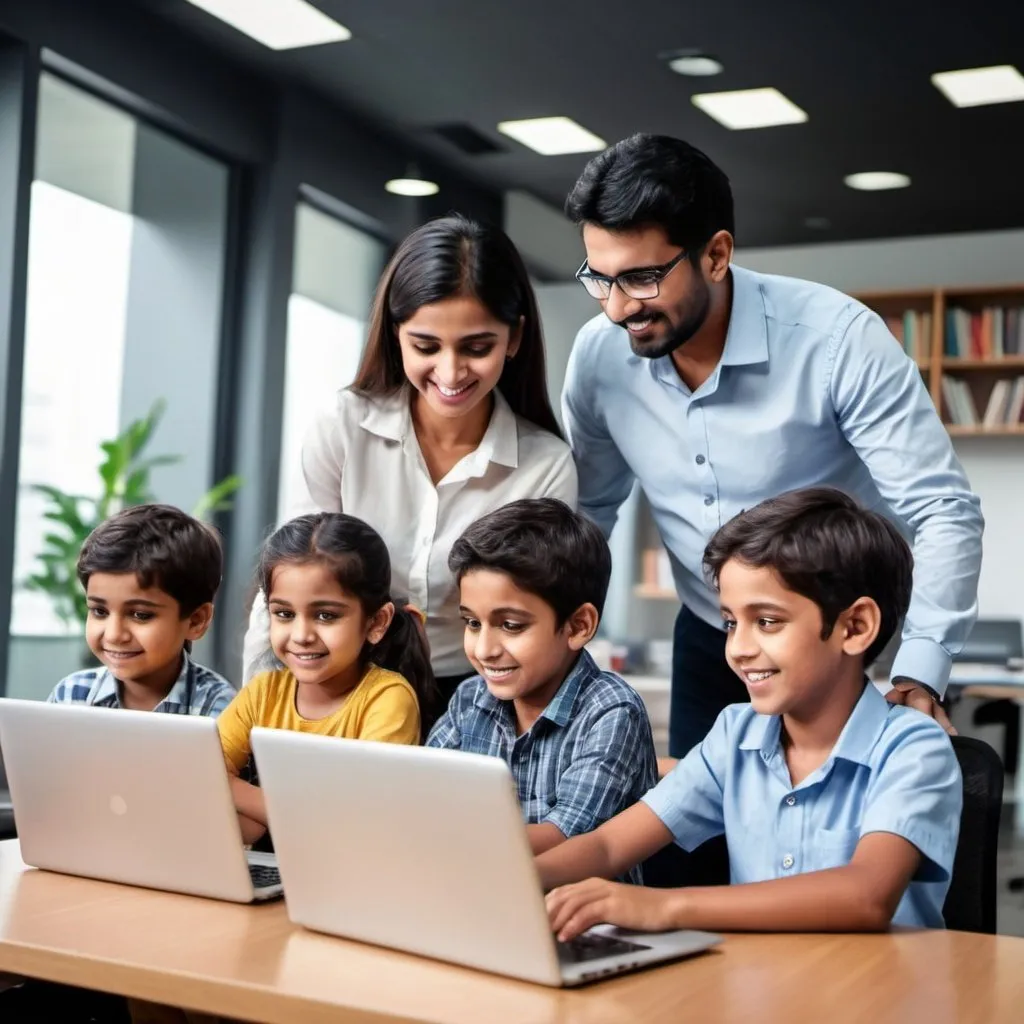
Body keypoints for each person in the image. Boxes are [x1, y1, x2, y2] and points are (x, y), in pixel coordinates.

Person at [560, 133, 983, 759]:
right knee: (692, 848)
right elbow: (588, 517)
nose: (619, 308)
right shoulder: (599, 358)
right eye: (601, 278)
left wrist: (919, 670)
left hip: (836, 646)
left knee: (827, 842)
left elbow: (943, 511)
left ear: (716, 254)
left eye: (643, 278)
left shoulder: (837, 341)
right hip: (709, 636)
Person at [537, 488, 962, 937]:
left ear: (854, 627)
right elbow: (606, 847)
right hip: (757, 991)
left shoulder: (914, 748)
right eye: (730, 623)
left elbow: (866, 896)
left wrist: (664, 906)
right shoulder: (734, 734)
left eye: (767, 621)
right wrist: (512, 881)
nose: (738, 649)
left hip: (872, 997)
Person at [244, 215, 577, 710]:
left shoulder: (545, 466)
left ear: (514, 338)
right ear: (395, 335)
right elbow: (289, 580)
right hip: (341, 684)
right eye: (425, 346)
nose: (450, 372)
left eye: (477, 347)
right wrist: (259, 701)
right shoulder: (343, 426)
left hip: (480, 698)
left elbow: (532, 624)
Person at [427, 498, 657, 879]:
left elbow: (566, 835)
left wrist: (448, 842)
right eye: (472, 623)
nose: (484, 649)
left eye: (511, 625)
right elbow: (422, 795)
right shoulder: (471, 698)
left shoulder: (612, 712)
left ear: (579, 625)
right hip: (474, 895)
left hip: (585, 920)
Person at [220, 512, 434, 843]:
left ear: (376, 622)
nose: (301, 635)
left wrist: (242, 795)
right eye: (284, 614)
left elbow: (356, 819)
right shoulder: (263, 691)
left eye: (325, 615)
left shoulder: (388, 698)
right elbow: (202, 773)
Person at [46, 504, 235, 717]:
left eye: (140, 615)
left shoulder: (218, 707)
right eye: (99, 611)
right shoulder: (70, 695)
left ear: (195, 621)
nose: (114, 634)